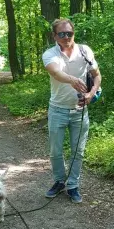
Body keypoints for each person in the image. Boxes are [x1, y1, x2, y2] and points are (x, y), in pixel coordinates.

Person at [42, 18, 102, 203]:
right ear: (55, 36)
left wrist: (91, 93)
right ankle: (59, 181)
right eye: (62, 34)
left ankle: (73, 185)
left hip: (80, 111)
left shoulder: (85, 50)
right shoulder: (50, 54)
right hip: (57, 110)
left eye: (70, 33)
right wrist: (72, 80)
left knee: (78, 151)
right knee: (55, 151)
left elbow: (97, 75)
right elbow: (55, 72)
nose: (67, 37)